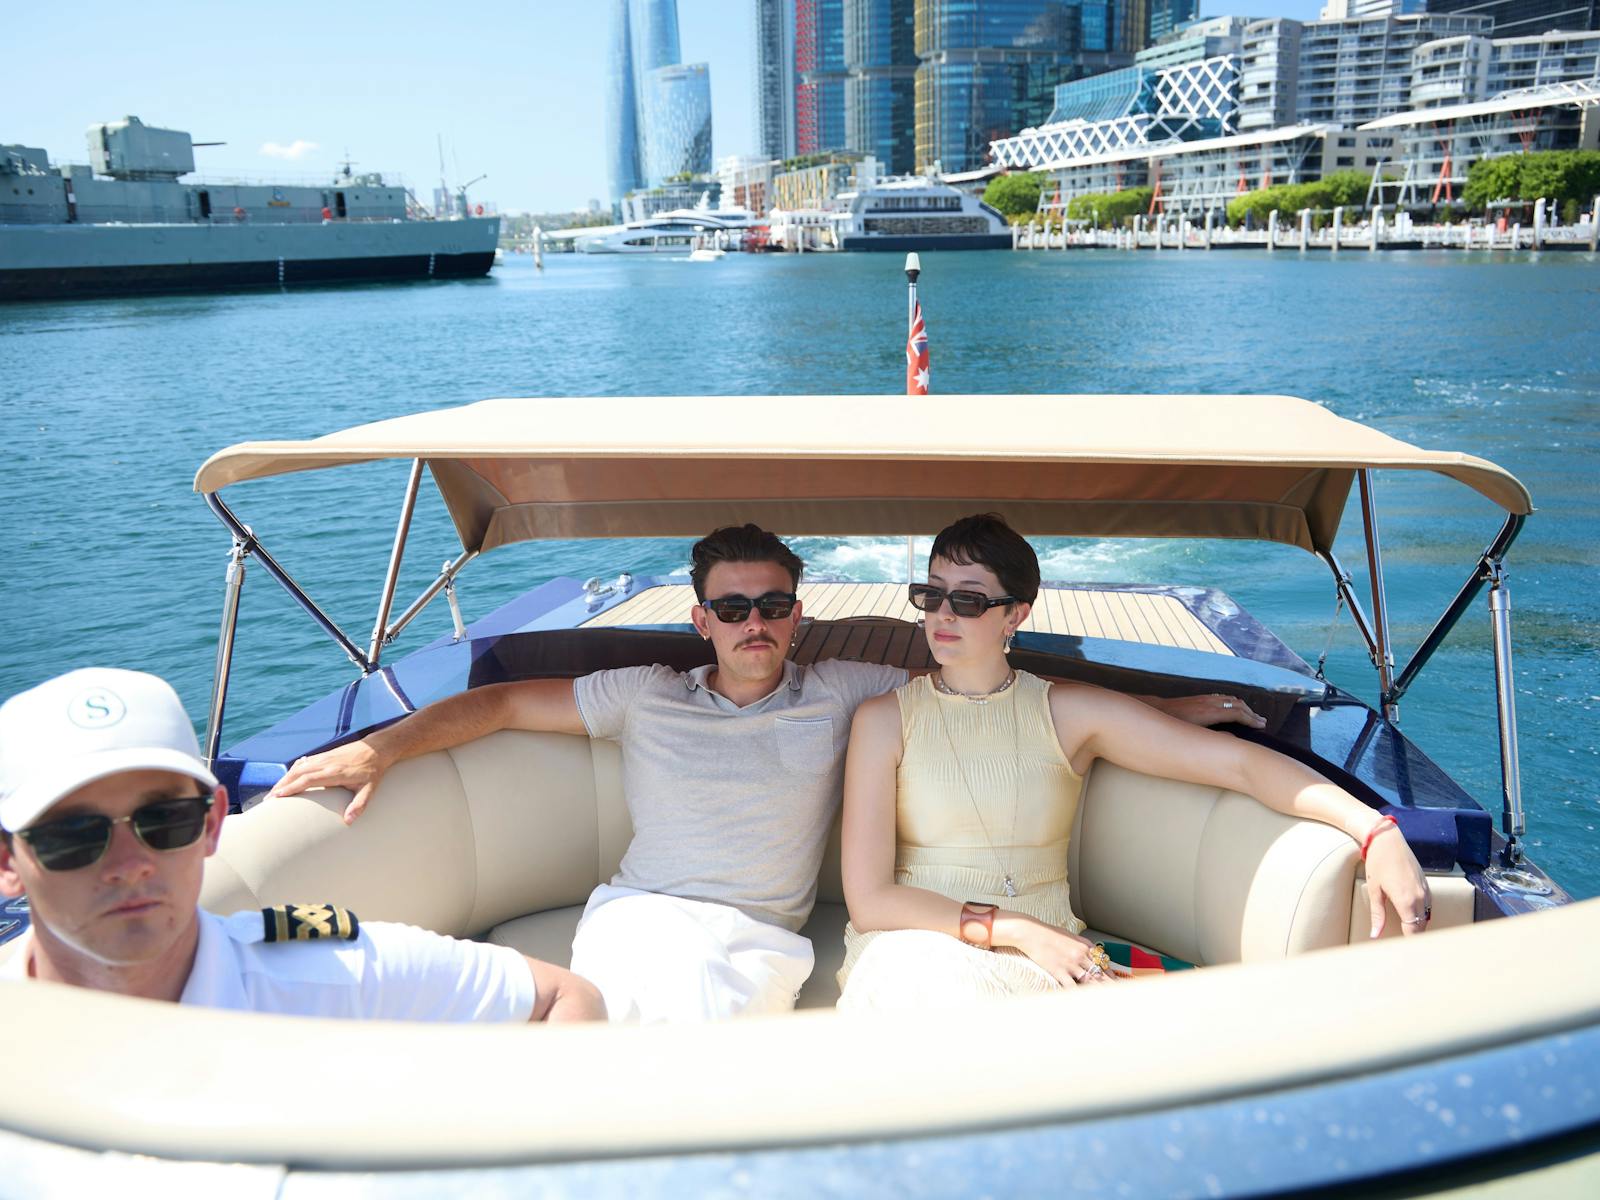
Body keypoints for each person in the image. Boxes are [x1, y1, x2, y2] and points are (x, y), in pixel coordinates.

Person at [271, 525, 1264, 1024]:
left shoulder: (848, 690)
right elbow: (492, 706)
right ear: (698, 618)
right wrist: (378, 747)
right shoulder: (642, 694)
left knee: (686, 1033)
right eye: (732, 607)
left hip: (758, 935)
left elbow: (993, 682)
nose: (755, 625)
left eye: (773, 606)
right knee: (639, 1011)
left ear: (798, 613)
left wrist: (1165, 716)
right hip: (643, 910)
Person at [836, 513, 1433, 1010]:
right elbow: (871, 901)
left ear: (1015, 614)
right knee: (915, 984)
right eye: (930, 595)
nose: (942, 614)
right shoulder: (884, 720)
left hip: (1050, 962)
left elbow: (1241, 767)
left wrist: (1374, 830)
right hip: (908, 949)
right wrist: (1015, 929)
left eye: (966, 600)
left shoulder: (1069, 713)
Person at [0, 668, 603, 1023]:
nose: (129, 867)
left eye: (165, 822)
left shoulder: (333, 972)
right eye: (74, 837)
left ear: (212, 824)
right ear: (8, 862)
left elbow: (562, 996)